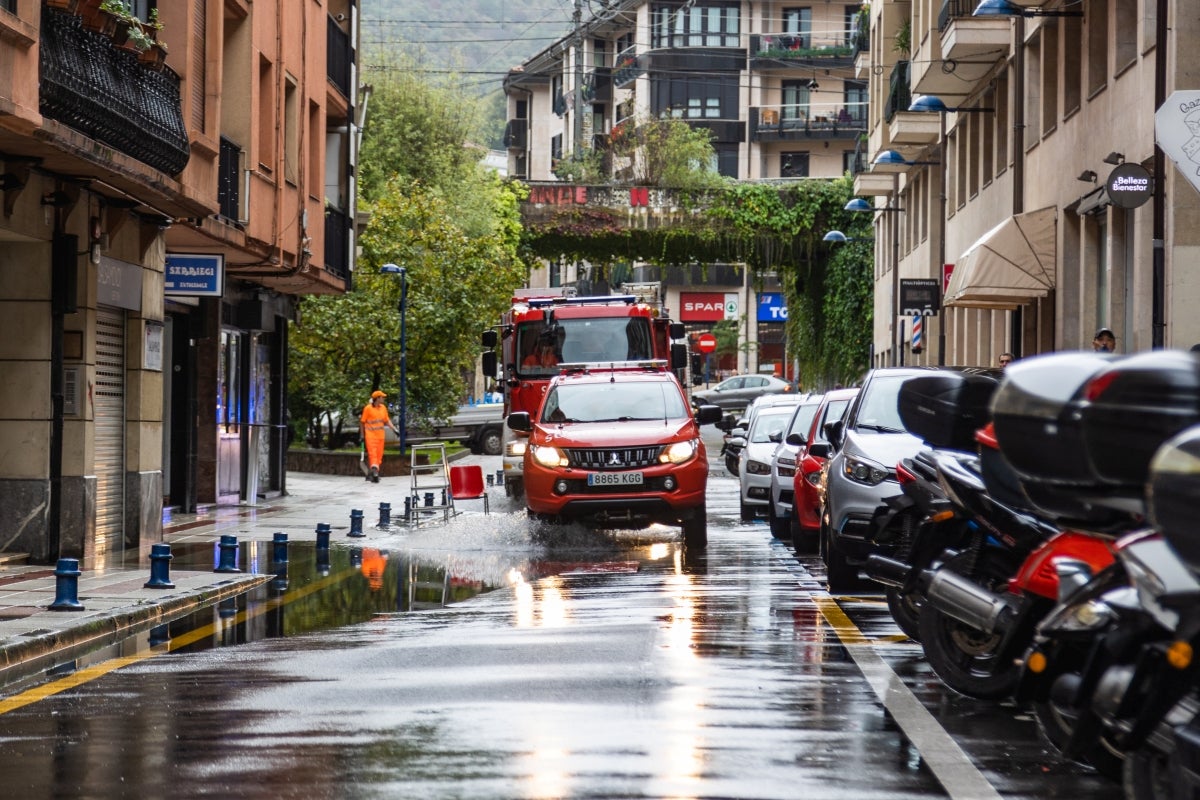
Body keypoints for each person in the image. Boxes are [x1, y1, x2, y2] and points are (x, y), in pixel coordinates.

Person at [359, 390, 399, 483]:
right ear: (377, 398)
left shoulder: (383, 408)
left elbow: (387, 420)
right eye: (382, 397)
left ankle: (371, 473)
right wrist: (362, 435)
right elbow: (362, 422)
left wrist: (394, 430)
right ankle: (375, 473)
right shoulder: (368, 409)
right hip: (370, 436)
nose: (384, 398)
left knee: (379, 456)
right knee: (373, 455)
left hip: (380, 436)